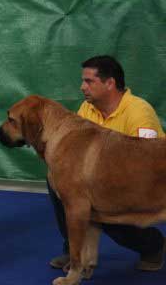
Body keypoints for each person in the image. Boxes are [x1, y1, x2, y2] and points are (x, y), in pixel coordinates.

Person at [49, 55, 166, 272]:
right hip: (102, 182)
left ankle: (154, 246)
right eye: (83, 81)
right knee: (58, 179)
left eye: (89, 81)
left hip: (140, 185)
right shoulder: (86, 109)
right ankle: (75, 251)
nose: (82, 86)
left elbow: (147, 165)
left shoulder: (139, 111)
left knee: (106, 207)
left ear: (110, 83)